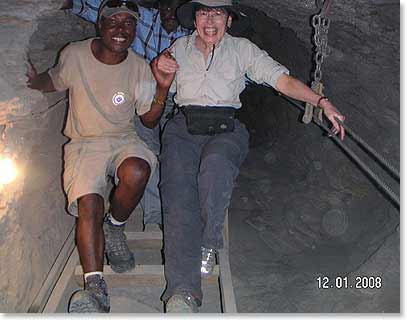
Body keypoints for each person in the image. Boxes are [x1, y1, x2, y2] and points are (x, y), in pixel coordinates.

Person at [154, 0, 346, 312]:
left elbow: (280, 79)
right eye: (203, 12)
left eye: (218, 13)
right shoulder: (178, 48)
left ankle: (208, 241)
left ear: (229, 20)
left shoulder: (242, 49)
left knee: (214, 167)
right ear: (195, 18)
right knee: (177, 197)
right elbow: (159, 91)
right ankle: (181, 293)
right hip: (183, 126)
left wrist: (320, 100)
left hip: (226, 125)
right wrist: (160, 77)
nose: (210, 20)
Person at [27, 0, 172, 312]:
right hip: (84, 143)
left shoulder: (138, 67)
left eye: (128, 24)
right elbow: (53, 80)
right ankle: (94, 288)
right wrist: (31, 78)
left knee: (136, 171)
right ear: (100, 24)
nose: (120, 30)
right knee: (88, 204)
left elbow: (148, 119)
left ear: (135, 30)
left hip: (122, 139)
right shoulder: (75, 54)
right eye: (113, 22)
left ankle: (116, 225)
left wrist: (162, 88)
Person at [63, 0, 191, 229]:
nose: (169, 14)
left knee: (178, 156)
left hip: (181, 100)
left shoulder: (193, 29)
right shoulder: (143, 20)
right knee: (148, 151)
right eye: (165, 7)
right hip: (143, 95)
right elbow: (99, 12)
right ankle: (153, 219)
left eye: (175, 9)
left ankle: (180, 216)